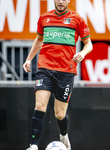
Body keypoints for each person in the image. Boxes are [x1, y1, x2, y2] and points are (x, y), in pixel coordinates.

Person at [23, 0, 93, 149]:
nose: (60, 1)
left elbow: (89, 44)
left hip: (66, 71)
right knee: (40, 105)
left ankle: (63, 134)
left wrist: (82, 53)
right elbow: (39, 40)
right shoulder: (44, 18)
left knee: (60, 114)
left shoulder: (77, 19)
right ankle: (33, 145)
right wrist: (29, 59)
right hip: (45, 69)